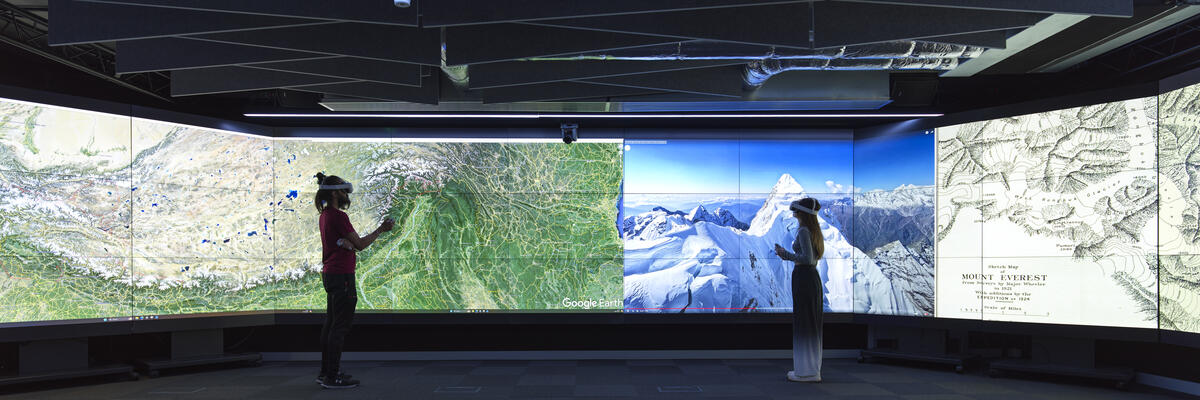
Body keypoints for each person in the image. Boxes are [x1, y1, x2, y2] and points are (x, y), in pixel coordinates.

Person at [314, 173, 394, 389]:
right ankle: (332, 377)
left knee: (331, 324)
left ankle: (326, 372)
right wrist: (381, 229)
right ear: (334, 193)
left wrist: (343, 243)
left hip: (331, 274)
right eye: (342, 191)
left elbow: (342, 242)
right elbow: (360, 244)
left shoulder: (324, 215)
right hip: (342, 277)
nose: (345, 194)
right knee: (339, 327)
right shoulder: (338, 217)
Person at [773, 198, 825, 383]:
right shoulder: (813, 230)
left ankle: (805, 373)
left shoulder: (803, 230)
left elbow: (807, 259)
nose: (793, 212)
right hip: (810, 278)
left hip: (804, 277)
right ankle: (811, 369)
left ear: (803, 213)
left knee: (804, 323)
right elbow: (812, 257)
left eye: (796, 210)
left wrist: (784, 254)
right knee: (811, 323)